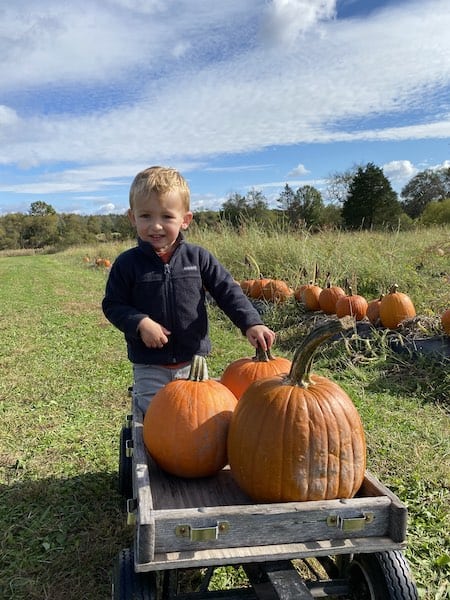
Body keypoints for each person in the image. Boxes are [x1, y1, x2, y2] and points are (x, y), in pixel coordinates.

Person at [102, 166, 276, 414]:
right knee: (155, 418)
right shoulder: (127, 264)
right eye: (146, 216)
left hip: (193, 361)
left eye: (167, 217)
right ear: (132, 218)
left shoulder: (198, 257)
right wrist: (140, 323)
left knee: (197, 419)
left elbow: (227, 290)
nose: (156, 226)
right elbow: (113, 305)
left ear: (185, 220)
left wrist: (251, 322)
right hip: (150, 365)